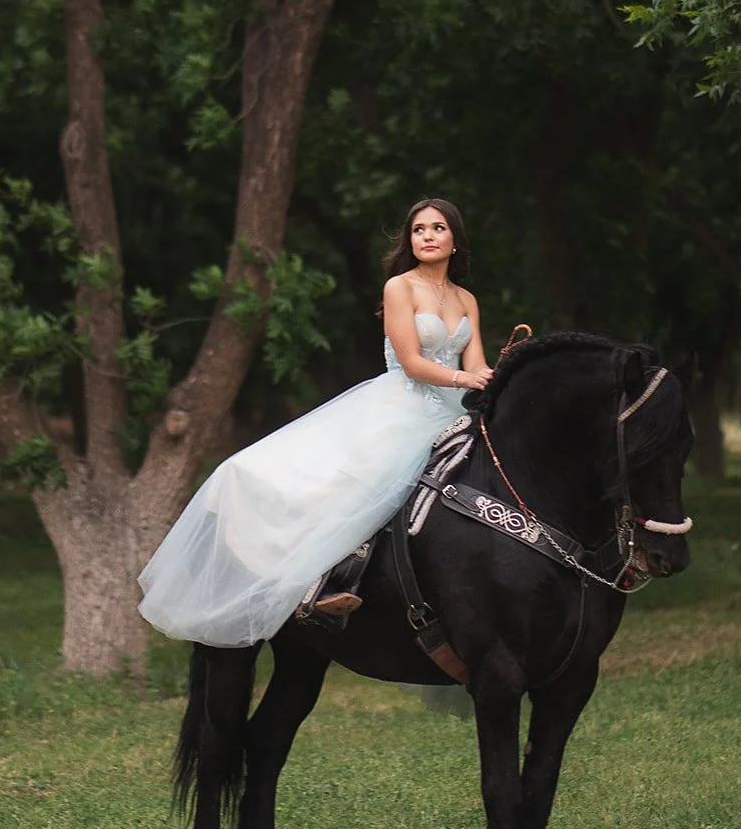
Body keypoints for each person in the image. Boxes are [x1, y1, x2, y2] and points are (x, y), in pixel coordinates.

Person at [138, 198, 494, 647]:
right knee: (366, 480)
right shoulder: (399, 288)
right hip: (403, 404)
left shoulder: (466, 300)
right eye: (418, 228)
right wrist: (466, 376)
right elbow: (411, 362)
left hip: (450, 409)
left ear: (454, 241)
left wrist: (489, 378)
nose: (426, 235)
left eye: (437, 228)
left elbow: (475, 359)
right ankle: (326, 582)